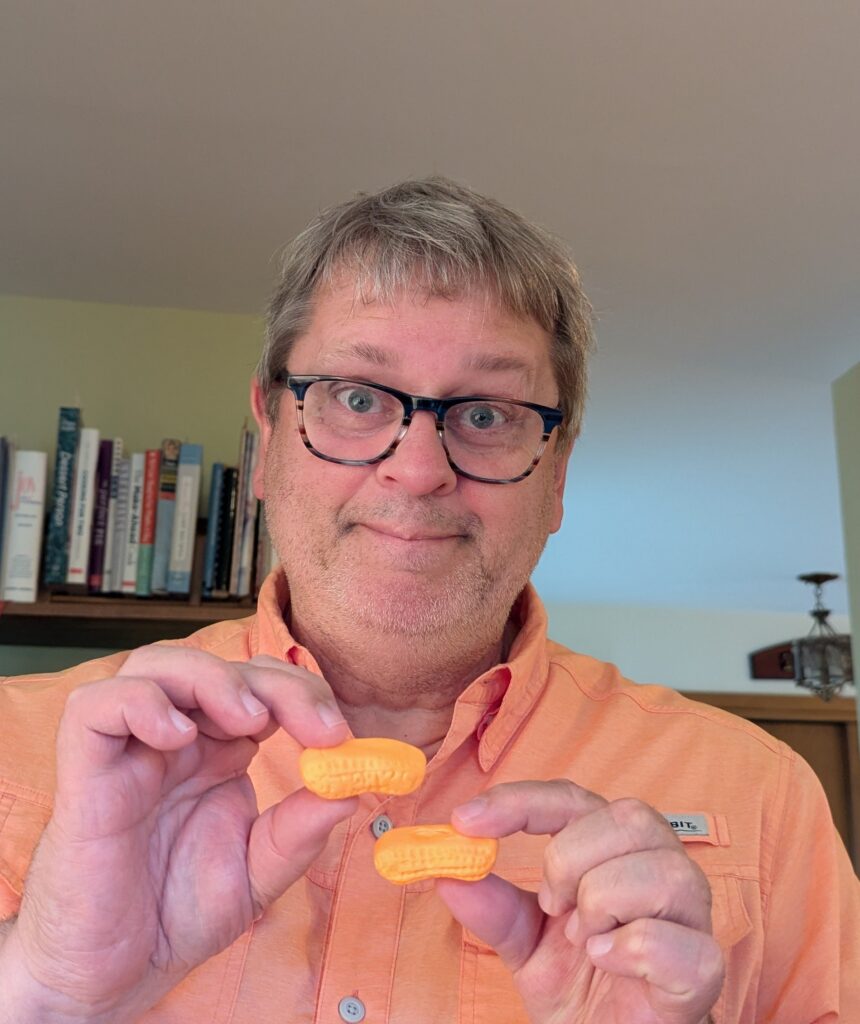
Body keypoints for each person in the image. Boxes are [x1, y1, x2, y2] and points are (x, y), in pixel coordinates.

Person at [0, 177, 856, 1024]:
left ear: (557, 474)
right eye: (358, 398)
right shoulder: (17, 745)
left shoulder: (763, 795)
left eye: (486, 415)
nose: (417, 471)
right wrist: (43, 991)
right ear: (269, 439)